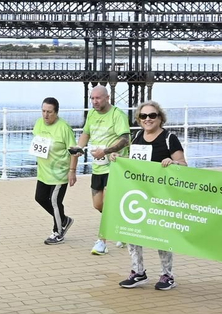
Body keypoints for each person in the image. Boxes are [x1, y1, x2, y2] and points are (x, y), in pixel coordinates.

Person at [119, 101, 185, 291]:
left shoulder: (169, 138)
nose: (148, 119)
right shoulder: (137, 136)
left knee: (161, 235)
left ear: (160, 118)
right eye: (144, 116)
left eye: (152, 115)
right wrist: (119, 160)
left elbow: (183, 163)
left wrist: (172, 162)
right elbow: (133, 164)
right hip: (140, 194)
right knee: (133, 232)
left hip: (162, 196)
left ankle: (167, 275)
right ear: (139, 120)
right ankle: (137, 272)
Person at [79, 85, 132, 255]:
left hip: (115, 166)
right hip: (98, 166)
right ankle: (121, 225)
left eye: (98, 98)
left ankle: (101, 242)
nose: (95, 101)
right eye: (92, 98)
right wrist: (79, 147)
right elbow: (86, 133)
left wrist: (106, 151)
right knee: (98, 204)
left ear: (107, 98)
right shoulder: (92, 114)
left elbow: (125, 140)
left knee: (108, 205)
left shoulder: (117, 115)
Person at [34, 97, 78, 245]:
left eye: (49, 112)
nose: (46, 115)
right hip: (43, 171)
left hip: (59, 173)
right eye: (43, 111)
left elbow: (74, 151)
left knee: (55, 201)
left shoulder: (64, 128)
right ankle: (64, 219)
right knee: (39, 198)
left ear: (56, 112)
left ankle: (58, 232)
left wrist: (72, 171)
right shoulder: (39, 123)